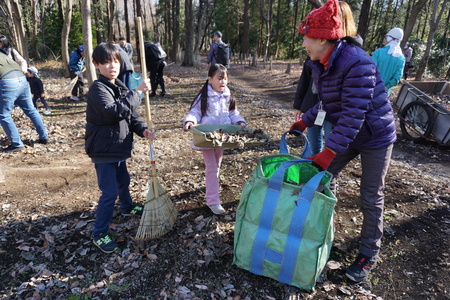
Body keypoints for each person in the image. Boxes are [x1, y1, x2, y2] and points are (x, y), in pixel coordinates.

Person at [290, 0, 397, 283]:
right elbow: (329, 102)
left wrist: (329, 150)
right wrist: (306, 119)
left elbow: (353, 114)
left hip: (375, 136)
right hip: (348, 134)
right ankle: (322, 230)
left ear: (323, 38)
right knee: (321, 179)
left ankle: (368, 252)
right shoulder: (320, 62)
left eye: (306, 37)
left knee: (371, 196)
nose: (303, 43)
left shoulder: (357, 62)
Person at [85, 42, 153, 253]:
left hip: (118, 147)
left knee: (123, 180)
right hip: (103, 149)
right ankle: (99, 233)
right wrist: (138, 93)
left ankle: (126, 207)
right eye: (105, 62)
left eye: (115, 61)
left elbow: (131, 115)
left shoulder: (120, 87)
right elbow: (114, 111)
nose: (111, 66)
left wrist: (143, 130)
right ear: (96, 65)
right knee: (109, 192)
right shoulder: (98, 89)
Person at [293, 1, 360, 156]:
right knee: (313, 142)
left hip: (333, 110)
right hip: (313, 104)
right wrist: (299, 105)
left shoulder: (350, 56)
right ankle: (312, 167)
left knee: (331, 144)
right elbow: (305, 78)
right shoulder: (316, 48)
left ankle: (327, 174)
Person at [183, 64, 246, 215]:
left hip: (222, 137)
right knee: (211, 167)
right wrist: (190, 121)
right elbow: (195, 111)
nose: (223, 82)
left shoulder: (228, 96)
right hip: (206, 138)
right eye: (219, 78)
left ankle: (212, 187)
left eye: (225, 79)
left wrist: (240, 122)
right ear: (210, 79)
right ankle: (213, 200)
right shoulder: (204, 96)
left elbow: (233, 113)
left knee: (216, 166)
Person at [0, 50, 48, 152]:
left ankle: (16, 144)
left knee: (4, 115)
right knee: (31, 109)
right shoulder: (2, 54)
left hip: (7, 82)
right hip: (22, 79)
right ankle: (44, 137)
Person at [372, 28, 405, 95]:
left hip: (371, 90)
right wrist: (386, 87)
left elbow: (370, 71)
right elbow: (397, 78)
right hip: (384, 93)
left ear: (390, 38)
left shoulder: (378, 52)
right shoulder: (401, 58)